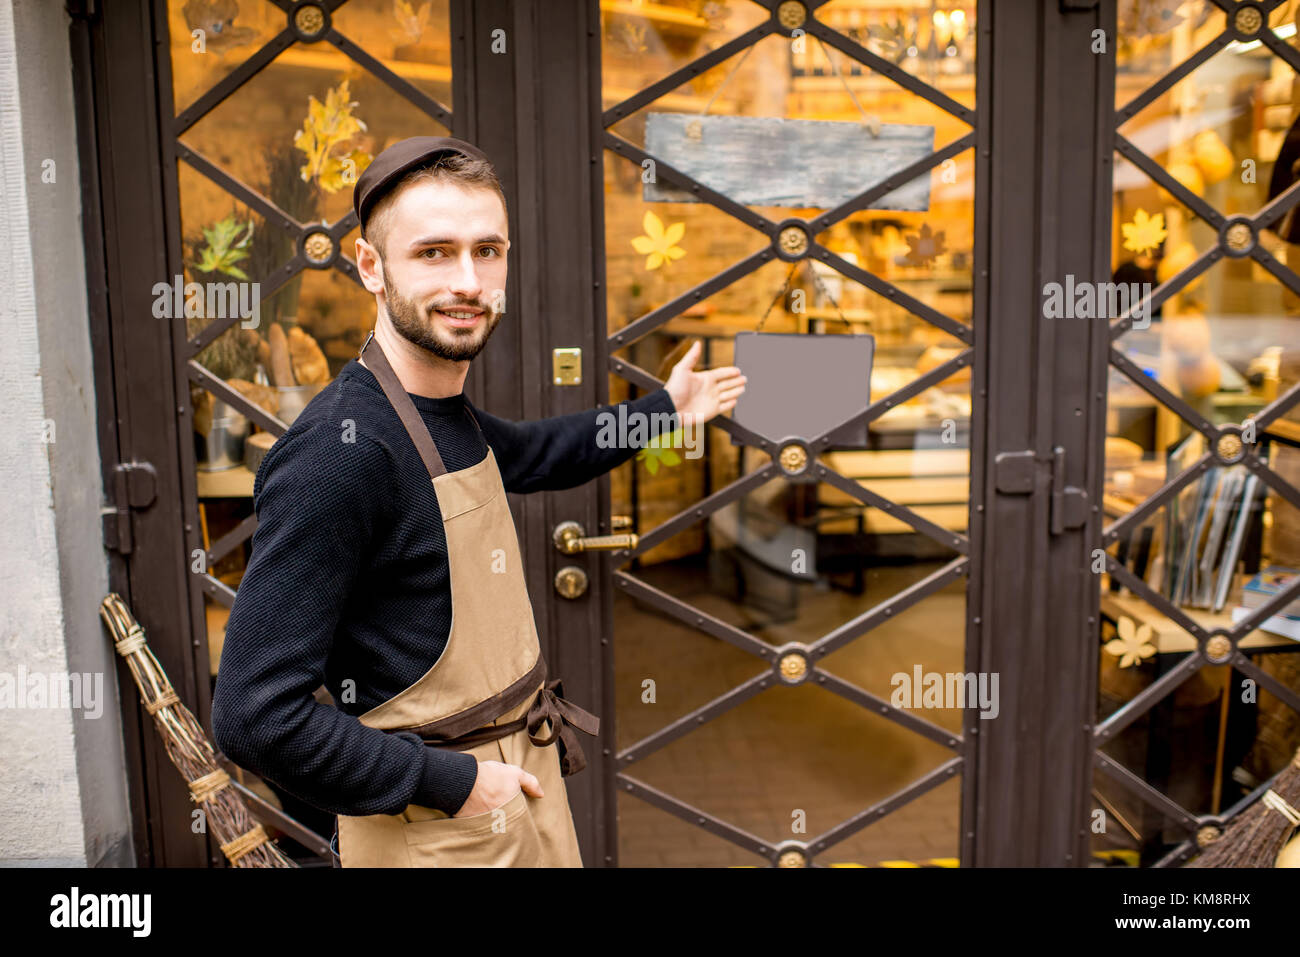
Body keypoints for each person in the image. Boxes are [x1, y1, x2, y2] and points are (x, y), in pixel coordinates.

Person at [211, 136, 747, 867]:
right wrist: (450, 781)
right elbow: (254, 717)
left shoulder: (439, 413)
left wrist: (662, 412)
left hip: (518, 785)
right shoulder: (339, 455)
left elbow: (534, 452)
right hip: (437, 828)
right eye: (433, 252)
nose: (468, 279)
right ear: (371, 266)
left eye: (487, 250)